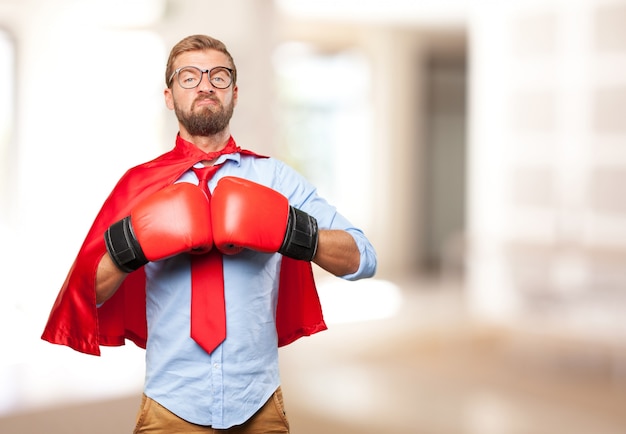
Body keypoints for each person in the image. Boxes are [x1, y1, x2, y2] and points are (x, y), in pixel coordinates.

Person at [41, 34, 377, 433]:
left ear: (234, 93)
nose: (204, 85)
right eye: (188, 77)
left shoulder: (275, 179)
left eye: (218, 76)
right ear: (169, 96)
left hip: (259, 405)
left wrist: (292, 230)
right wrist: (132, 244)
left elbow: (363, 258)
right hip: (170, 406)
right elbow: (86, 292)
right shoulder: (139, 186)